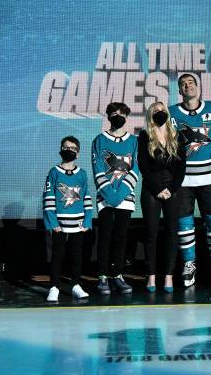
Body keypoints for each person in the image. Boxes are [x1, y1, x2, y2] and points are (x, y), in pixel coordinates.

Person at [169, 73, 211, 287]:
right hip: (184, 180)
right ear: (179, 90)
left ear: (199, 87)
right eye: (183, 84)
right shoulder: (172, 113)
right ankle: (189, 264)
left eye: (191, 83)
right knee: (184, 223)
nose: (188, 86)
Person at [137, 101, 186, 293]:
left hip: (173, 189)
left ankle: (168, 276)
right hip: (151, 189)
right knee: (151, 233)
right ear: (150, 115)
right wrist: (157, 189)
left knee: (172, 233)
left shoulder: (177, 135)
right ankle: (150, 277)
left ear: (167, 113)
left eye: (162, 110)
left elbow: (182, 167)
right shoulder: (144, 135)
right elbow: (143, 165)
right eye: (155, 111)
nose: (159, 113)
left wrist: (171, 188)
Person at [91, 102, 139, 295]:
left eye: (121, 114)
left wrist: (120, 194)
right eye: (113, 114)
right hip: (105, 197)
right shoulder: (99, 140)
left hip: (125, 197)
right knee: (105, 237)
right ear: (108, 117)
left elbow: (136, 168)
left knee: (121, 237)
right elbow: (97, 169)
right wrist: (110, 194)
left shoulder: (134, 141)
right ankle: (102, 276)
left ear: (126, 117)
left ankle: (117, 275)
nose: (117, 117)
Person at [42, 136, 93, 301]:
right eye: (66, 147)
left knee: (76, 255)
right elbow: (48, 197)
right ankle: (54, 287)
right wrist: (52, 221)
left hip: (77, 223)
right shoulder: (54, 172)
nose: (69, 150)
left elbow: (87, 198)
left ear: (78, 154)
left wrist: (87, 220)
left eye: (73, 148)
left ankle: (76, 285)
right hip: (59, 223)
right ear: (60, 150)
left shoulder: (82, 174)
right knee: (57, 255)